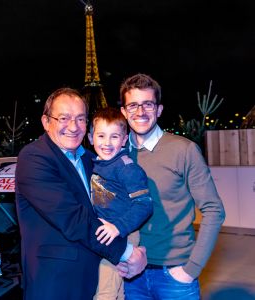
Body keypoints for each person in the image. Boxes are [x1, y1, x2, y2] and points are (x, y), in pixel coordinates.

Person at [15, 87, 147, 300]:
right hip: (56, 282)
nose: (73, 127)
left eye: (80, 119)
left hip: (93, 276)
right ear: (46, 122)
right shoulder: (34, 158)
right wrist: (127, 253)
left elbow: (115, 207)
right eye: (64, 118)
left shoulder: (91, 160)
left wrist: (131, 252)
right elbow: (73, 218)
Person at [117, 73, 226, 299]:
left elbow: (214, 210)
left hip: (175, 276)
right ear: (124, 112)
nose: (140, 112)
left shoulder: (183, 150)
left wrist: (191, 270)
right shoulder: (117, 154)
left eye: (148, 104)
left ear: (159, 110)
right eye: (133, 105)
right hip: (130, 275)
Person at [87, 107, 154, 300]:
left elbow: (144, 204)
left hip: (123, 233)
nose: (107, 143)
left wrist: (118, 227)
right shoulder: (97, 164)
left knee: (105, 292)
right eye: (101, 136)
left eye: (114, 137)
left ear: (124, 140)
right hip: (106, 232)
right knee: (116, 290)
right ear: (91, 138)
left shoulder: (127, 168)